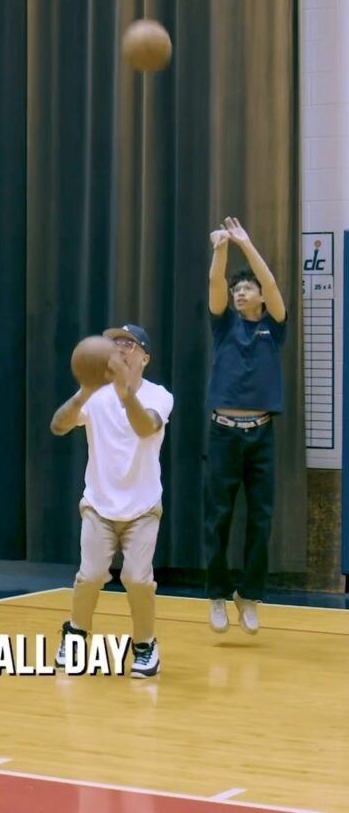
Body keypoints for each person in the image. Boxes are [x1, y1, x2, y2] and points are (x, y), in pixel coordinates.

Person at [50, 324, 174, 678]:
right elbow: (58, 426)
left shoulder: (158, 395)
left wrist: (124, 393)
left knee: (137, 579)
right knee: (89, 576)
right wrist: (84, 393)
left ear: (144, 357)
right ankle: (75, 634)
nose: (120, 347)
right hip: (99, 505)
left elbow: (146, 427)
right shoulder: (95, 395)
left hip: (143, 507)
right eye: (113, 342)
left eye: (129, 343)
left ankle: (145, 645)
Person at [205, 216, 287, 635]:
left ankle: (249, 597)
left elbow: (271, 285)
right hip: (223, 433)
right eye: (237, 290)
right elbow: (216, 283)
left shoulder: (273, 326)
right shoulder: (224, 326)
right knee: (217, 517)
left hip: (261, 435)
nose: (240, 293)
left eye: (246, 288)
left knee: (261, 518)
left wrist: (246, 244)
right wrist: (221, 247)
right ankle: (218, 595)